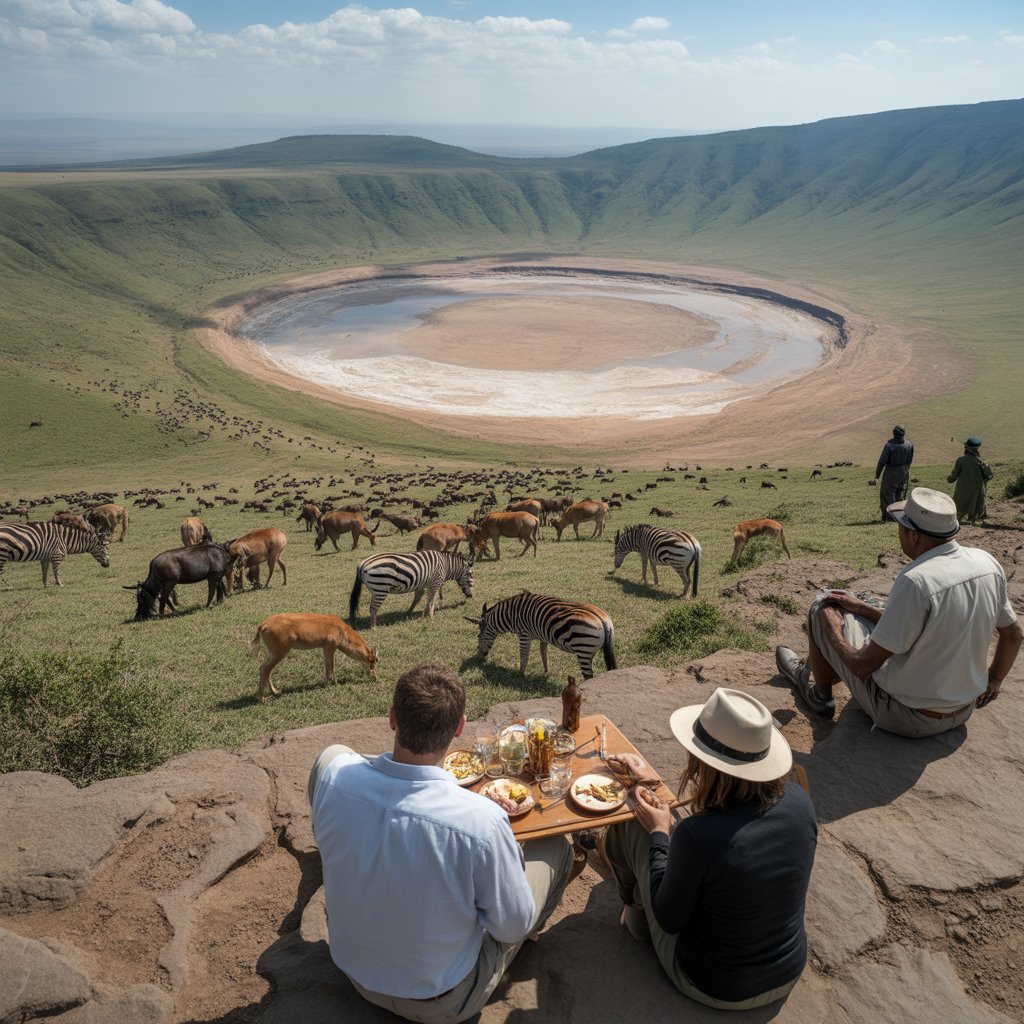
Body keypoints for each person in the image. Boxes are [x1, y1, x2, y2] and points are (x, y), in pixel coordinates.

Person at [309, 662, 574, 1024]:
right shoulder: (483, 821)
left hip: (356, 976)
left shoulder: (334, 778)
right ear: (460, 727)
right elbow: (510, 926)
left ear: (391, 718)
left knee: (331, 753)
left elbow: (338, 760)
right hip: (443, 1003)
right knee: (556, 845)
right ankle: (511, 956)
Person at [600, 688, 816, 1011]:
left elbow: (670, 918)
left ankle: (634, 917)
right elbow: (723, 840)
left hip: (712, 985)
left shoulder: (695, 836)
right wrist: (655, 785)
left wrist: (660, 833)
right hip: (786, 972)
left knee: (631, 826)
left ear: (707, 763)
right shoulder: (801, 803)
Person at [776, 487, 1022, 738]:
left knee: (822, 606)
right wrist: (993, 681)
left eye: (900, 529)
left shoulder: (916, 580)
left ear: (913, 536)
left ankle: (819, 694)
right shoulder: (986, 562)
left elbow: (863, 666)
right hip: (963, 710)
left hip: (905, 716)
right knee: (866, 614)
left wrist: (832, 630)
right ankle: (825, 669)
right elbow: (1013, 635)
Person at [948, 435, 993, 524]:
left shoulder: (961, 460)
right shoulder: (981, 461)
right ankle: (973, 520)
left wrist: (949, 479)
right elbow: (990, 475)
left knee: (958, 509)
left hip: (962, 491)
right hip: (977, 492)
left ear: (966, 448)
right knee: (974, 511)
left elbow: (953, 477)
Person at [875, 425, 914, 521]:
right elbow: (910, 460)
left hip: (891, 472)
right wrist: (905, 470)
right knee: (899, 494)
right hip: (904, 472)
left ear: (894, 433)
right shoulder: (909, 445)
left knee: (887, 494)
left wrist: (877, 475)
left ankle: (889, 517)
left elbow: (882, 461)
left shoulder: (889, 445)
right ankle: (899, 516)